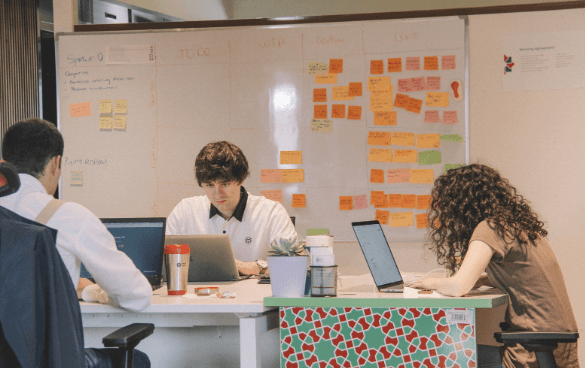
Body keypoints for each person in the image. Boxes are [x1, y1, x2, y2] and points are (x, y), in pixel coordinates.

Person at [0, 118, 152, 367]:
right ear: (56, 163)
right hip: (52, 360)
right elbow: (136, 296)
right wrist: (96, 292)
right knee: (139, 360)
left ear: (4, 163)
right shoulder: (71, 218)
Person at [411, 164, 578, 368]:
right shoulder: (517, 224)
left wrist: (432, 282)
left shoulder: (490, 228)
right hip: (556, 348)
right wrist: (481, 279)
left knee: (438, 355)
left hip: (532, 353)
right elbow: (523, 274)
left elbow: (458, 287)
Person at [166, 141, 298, 275]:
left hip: (254, 295)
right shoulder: (185, 211)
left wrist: (256, 267)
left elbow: (296, 263)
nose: (217, 194)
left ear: (241, 179)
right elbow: (161, 261)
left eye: (225, 184)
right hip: (197, 294)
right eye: (210, 185)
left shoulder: (271, 212)